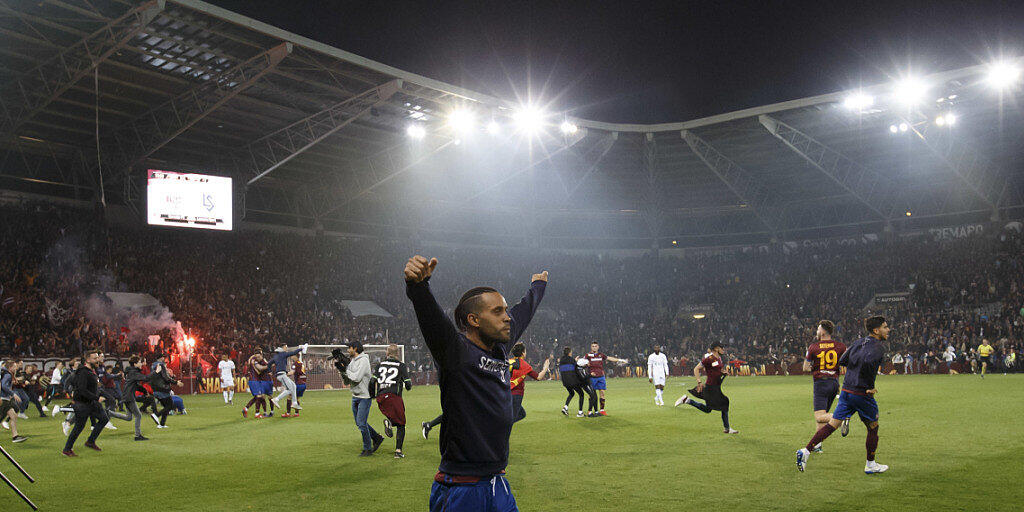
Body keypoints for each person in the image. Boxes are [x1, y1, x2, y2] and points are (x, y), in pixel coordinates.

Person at [404, 254, 547, 511]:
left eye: (505, 310)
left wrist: (538, 286)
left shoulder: (501, 350)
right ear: (474, 320)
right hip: (462, 486)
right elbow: (432, 320)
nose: (507, 317)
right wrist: (418, 286)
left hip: (497, 481)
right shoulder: (455, 352)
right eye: (497, 311)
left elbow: (523, 313)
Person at [796, 316, 890, 475]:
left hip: (846, 391)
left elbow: (843, 360)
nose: (888, 330)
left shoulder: (859, 342)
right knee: (873, 427)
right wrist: (869, 386)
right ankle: (870, 464)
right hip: (861, 393)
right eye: (885, 327)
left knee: (832, 424)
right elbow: (868, 363)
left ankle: (805, 451)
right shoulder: (879, 347)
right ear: (876, 330)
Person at [802, 320, 847, 452]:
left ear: (822, 332)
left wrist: (815, 367)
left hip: (821, 383)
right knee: (822, 415)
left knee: (819, 416)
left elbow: (805, 368)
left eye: (817, 329)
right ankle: (817, 445)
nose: (816, 332)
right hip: (834, 383)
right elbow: (848, 362)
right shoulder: (840, 346)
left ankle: (841, 419)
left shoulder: (813, 347)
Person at [673, 342, 738, 434]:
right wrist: (699, 381)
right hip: (711, 388)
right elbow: (696, 369)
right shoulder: (709, 359)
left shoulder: (719, 359)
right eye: (722, 348)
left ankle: (687, 400)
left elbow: (716, 370)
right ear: (716, 348)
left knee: (709, 409)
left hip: (716, 387)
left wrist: (723, 373)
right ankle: (727, 428)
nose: (723, 349)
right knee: (724, 403)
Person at [63, 349, 108, 456]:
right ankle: (67, 449)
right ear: (87, 360)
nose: (97, 360)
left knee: (104, 419)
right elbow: (82, 390)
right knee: (79, 427)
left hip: (91, 402)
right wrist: (96, 398)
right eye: (95, 358)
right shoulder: (83, 372)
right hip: (82, 404)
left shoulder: (91, 371)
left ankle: (90, 441)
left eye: (97, 358)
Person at [343, 340, 384, 456]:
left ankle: (367, 449)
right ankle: (377, 437)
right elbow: (347, 381)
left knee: (361, 423)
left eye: (349, 348)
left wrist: (346, 371)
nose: (348, 350)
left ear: (355, 348)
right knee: (359, 422)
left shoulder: (364, 361)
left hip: (364, 396)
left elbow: (356, 378)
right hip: (355, 396)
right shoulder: (352, 362)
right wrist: (342, 372)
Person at [375, 343, 413, 458]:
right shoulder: (401, 366)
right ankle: (398, 451)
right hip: (394, 397)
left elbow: (372, 382)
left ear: (387, 353)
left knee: (396, 418)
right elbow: (408, 384)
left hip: (381, 398)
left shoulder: (379, 365)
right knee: (401, 424)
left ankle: (390, 422)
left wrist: (373, 395)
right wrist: (407, 385)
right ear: (397, 354)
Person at [508, 342, 550, 423]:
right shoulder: (524, 365)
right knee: (511, 419)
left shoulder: (508, 361)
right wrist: (545, 368)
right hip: (516, 394)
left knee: (522, 414)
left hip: (506, 393)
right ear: (523, 353)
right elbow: (538, 377)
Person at [584, 342, 627, 415]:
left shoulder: (601, 355)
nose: (594, 347)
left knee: (602, 393)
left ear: (598, 347)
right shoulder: (587, 355)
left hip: (601, 376)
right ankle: (590, 410)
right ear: (591, 347)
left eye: (595, 346)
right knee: (592, 394)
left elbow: (609, 358)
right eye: (593, 346)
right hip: (592, 377)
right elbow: (582, 362)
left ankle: (602, 410)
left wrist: (619, 360)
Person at [269, 344, 307, 412]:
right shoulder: (283, 354)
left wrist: (270, 371)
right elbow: (293, 353)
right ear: (283, 348)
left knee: (294, 386)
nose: (286, 349)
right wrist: (301, 348)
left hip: (282, 374)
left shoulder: (276, 356)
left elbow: (269, 363)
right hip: (282, 375)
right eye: (286, 347)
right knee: (289, 389)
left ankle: (294, 403)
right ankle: (276, 399)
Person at [121, 356, 151, 441]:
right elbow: (146, 378)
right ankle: (138, 436)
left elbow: (136, 386)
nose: (141, 364)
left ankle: (109, 413)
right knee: (138, 415)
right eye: (139, 362)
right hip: (129, 397)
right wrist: (156, 372)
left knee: (128, 417)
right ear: (135, 364)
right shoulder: (133, 372)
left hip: (127, 396)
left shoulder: (131, 372)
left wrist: (144, 391)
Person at [150, 353, 182, 429]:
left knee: (166, 407)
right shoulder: (161, 365)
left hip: (155, 389)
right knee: (170, 405)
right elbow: (166, 378)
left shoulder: (153, 366)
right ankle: (156, 415)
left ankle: (162, 424)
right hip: (162, 389)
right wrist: (176, 382)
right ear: (161, 358)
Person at [1, 360, 28, 442]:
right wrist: (13, 394)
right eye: (14, 366)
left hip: (6, 399)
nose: (16, 368)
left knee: (13, 416)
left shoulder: (7, 374)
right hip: (3, 400)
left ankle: (15, 437)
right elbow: (4, 386)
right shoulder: (8, 375)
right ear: (10, 367)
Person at [558, 347, 588, 417]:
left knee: (571, 393)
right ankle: (580, 413)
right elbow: (577, 367)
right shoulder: (571, 359)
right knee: (581, 394)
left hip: (565, 382)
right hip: (572, 381)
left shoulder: (561, 360)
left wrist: (574, 360)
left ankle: (565, 407)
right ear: (570, 353)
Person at [241, 350, 269, 418]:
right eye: (257, 356)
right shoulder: (255, 361)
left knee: (258, 397)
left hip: (255, 380)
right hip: (254, 380)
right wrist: (269, 366)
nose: (258, 358)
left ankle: (246, 408)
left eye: (259, 356)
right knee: (259, 396)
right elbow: (260, 370)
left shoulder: (253, 360)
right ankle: (257, 414)